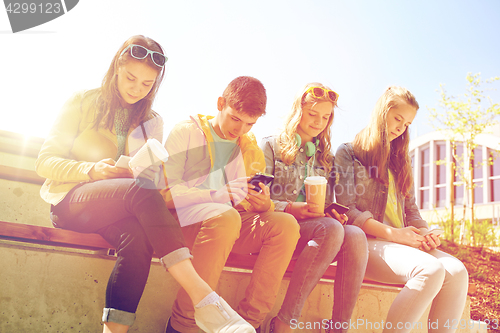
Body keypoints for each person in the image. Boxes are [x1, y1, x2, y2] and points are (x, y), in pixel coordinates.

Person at [35, 35, 254, 333]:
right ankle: (202, 297)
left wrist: (138, 173)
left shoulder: (153, 120)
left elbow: (150, 181)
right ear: (116, 68)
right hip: (71, 201)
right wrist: (91, 170)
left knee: (138, 239)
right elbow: (45, 162)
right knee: (141, 194)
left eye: (147, 84)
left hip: (120, 206)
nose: (137, 89)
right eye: (130, 78)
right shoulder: (82, 101)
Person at [160, 76, 301, 333]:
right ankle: (183, 325)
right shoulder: (186, 131)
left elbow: (250, 205)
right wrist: (216, 194)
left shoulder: (249, 147)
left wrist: (263, 205)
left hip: (229, 225)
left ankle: (248, 324)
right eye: (235, 118)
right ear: (220, 103)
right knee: (226, 216)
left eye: (250, 123)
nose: (240, 130)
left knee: (286, 225)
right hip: (185, 224)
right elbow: (164, 194)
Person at [334, 86, 469, 333]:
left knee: (458, 271)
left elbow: (411, 210)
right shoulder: (348, 153)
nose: (400, 127)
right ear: (382, 111)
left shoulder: (399, 160)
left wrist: (425, 233)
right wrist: (394, 234)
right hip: (368, 243)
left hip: (403, 246)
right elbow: (347, 211)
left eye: (406, 124)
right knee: (430, 270)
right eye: (398, 118)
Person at [260, 83, 368, 333]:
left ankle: (338, 328)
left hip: (314, 230)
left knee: (355, 234)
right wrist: (290, 208)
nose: (319, 122)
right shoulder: (271, 146)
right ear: (299, 111)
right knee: (331, 230)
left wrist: (332, 211)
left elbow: (325, 204)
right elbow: (257, 198)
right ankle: (284, 323)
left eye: (326, 116)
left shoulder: (325, 158)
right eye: (313, 114)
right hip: (279, 226)